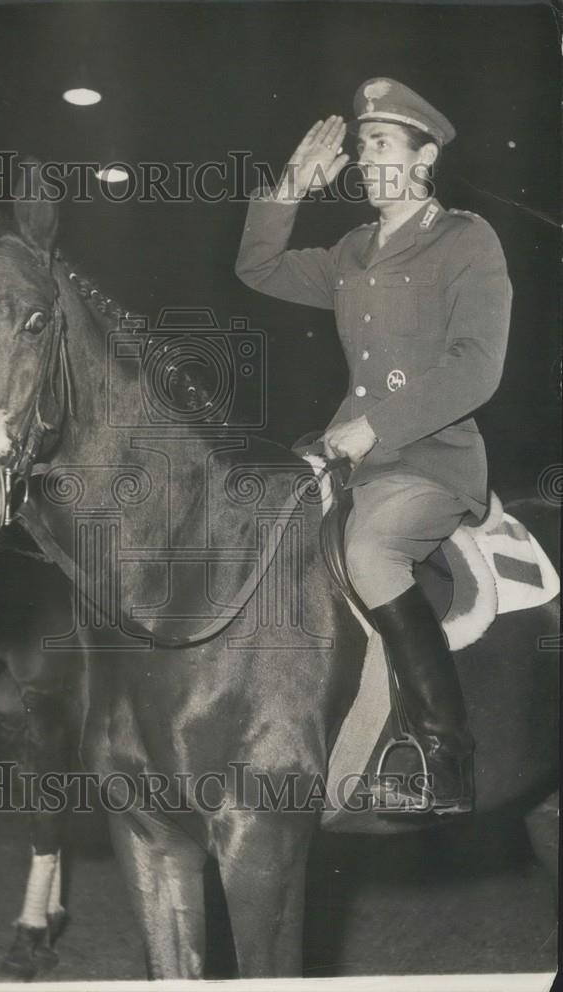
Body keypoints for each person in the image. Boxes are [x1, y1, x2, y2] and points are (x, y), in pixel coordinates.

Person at [235, 78, 512, 814]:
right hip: (348, 455)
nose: (362, 157)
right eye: (359, 145)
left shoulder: (466, 240)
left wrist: (377, 426)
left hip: (427, 459)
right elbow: (256, 269)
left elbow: (477, 367)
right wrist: (290, 188)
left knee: (371, 553)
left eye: (379, 143)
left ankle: (442, 753)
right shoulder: (353, 250)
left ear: (424, 159)